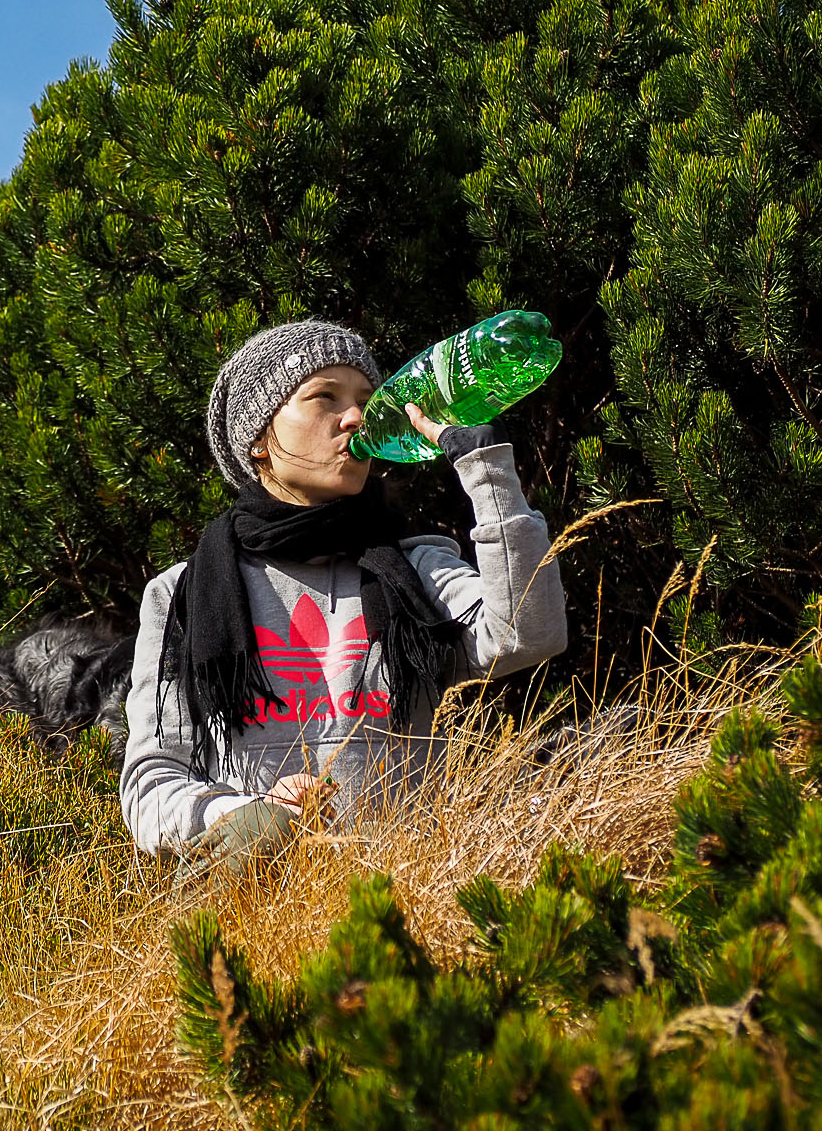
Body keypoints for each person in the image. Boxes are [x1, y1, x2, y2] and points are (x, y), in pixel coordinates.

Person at [117, 320, 567, 880]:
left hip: (410, 901)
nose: (354, 418)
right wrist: (245, 818)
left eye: (365, 401)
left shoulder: (412, 570)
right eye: (323, 397)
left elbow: (529, 632)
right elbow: (150, 785)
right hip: (262, 911)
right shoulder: (182, 595)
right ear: (258, 436)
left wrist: (489, 474)